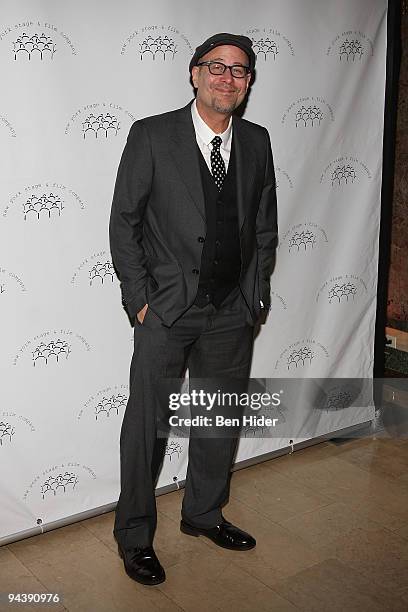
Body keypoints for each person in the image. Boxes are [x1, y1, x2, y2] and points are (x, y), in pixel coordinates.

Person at [109, 32, 278, 586]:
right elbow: (124, 224)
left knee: (217, 419)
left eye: (240, 71)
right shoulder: (152, 135)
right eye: (217, 67)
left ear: (248, 83)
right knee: (146, 428)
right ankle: (134, 536)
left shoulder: (256, 141)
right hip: (166, 312)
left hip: (231, 311)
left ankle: (203, 514)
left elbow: (263, 225)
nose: (228, 79)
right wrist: (140, 302)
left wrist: (255, 293)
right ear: (194, 74)